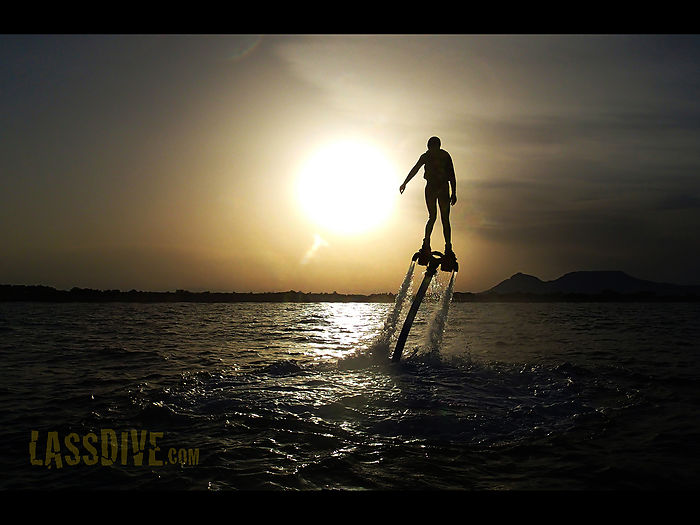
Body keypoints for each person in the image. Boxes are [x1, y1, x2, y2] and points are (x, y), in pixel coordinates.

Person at [399, 136, 457, 264]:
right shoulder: (426, 156)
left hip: (442, 188)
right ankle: (427, 243)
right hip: (432, 187)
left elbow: (452, 174)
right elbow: (415, 169)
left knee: (444, 219)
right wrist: (405, 183)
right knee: (433, 217)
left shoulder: (444, 156)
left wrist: (454, 192)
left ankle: (447, 247)